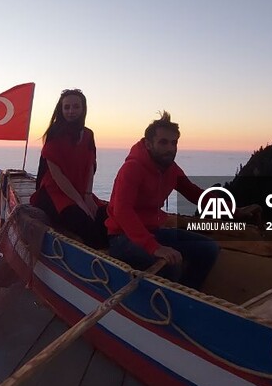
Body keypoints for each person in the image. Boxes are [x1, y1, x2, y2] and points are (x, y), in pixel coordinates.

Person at [105, 111, 219, 290]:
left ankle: (187, 295)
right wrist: (154, 247)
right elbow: (122, 211)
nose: (170, 148)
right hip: (122, 237)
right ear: (149, 144)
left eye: (174, 143)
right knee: (171, 262)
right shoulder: (132, 169)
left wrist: (234, 210)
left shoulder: (170, 168)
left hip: (153, 231)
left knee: (209, 248)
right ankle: (162, 306)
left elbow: (194, 193)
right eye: (163, 142)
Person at [30, 89, 109, 249]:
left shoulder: (88, 135)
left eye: (75, 107)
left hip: (79, 190)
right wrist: (79, 202)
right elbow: (57, 175)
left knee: (104, 218)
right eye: (66, 107)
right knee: (85, 225)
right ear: (61, 109)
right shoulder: (54, 134)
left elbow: (90, 166)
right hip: (55, 192)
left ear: (83, 108)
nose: (71, 111)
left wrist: (87, 196)